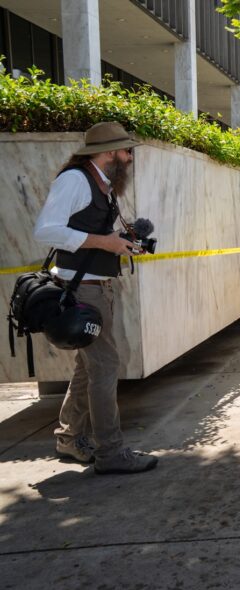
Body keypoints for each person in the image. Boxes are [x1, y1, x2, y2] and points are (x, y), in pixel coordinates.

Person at [34, 121, 158, 474]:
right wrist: (106, 242)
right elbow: (46, 230)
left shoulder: (102, 184)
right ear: (108, 153)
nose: (130, 157)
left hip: (97, 285)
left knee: (88, 369)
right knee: (104, 367)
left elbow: (90, 231)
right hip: (82, 288)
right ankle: (110, 453)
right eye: (125, 150)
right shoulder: (75, 179)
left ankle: (70, 437)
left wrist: (121, 240)